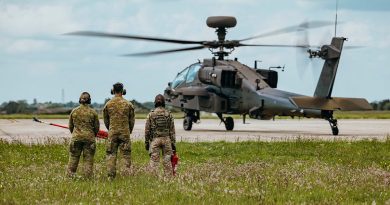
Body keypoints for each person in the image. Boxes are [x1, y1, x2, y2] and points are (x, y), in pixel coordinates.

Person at [103, 82, 135, 179]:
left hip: (112, 133)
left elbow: (106, 120)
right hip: (125, 133)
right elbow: (132, 121)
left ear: (113, 91)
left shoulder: (108, 104)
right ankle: (125, 176)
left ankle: (111, 177)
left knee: (111, 154)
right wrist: (128, 130)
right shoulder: (128, 104)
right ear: (123, 91)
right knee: (126, 154)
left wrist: (111, 129)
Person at [67, 92, 100, 178]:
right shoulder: (93, 113)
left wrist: (75, 134)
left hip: (76, 138)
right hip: (89, 139)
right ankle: (87, 178)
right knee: (88, 160)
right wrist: (93, 135)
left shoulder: (74, 111)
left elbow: (70, 126)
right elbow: (97, 128)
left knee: (73, 158)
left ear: (80, 100)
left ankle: (70, 176)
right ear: (89, 100)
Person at [145, 94, 176, 176]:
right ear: (163, 102)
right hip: (166, 140)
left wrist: (146, 142)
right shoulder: (168, 114)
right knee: (167, 160)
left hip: (155, 140)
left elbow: (147, 130)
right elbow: (172, 131)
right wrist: (173, 143)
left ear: (155, 102)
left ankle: (153, 178)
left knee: (154, 161)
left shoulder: (151, 114)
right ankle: (168, 179)